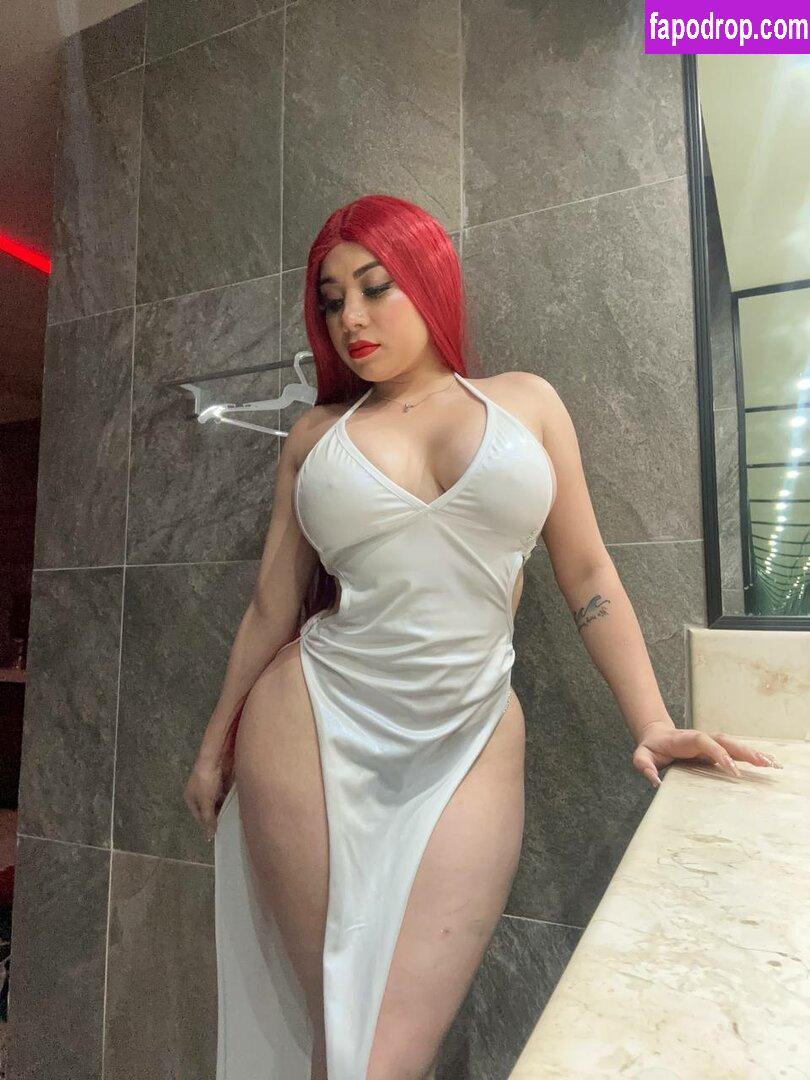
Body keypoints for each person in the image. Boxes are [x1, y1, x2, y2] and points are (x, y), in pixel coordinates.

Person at [184, 194, 780, 1080]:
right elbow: (273, 607)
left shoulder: (526, 403)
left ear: (428, 279)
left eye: (375, 287)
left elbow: (588, 575)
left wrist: (653, 722)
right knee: (344, 1037)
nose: (352, 319)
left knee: (381, 1055)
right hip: (310, 721)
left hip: (470, 739)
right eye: (332, 301)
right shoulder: (315, 437)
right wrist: (212, 748)